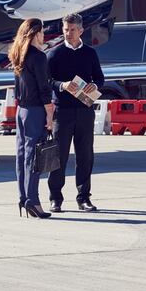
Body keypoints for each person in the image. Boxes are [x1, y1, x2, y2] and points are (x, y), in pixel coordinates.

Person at [47, 13, 104, 212]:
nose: (68, 34)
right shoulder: (54, 54)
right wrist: (61, 85)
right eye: (65, 30)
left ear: (81, 31)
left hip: (85, 110)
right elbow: (47, 81)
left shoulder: (90, 53)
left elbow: (99, 78)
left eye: (72, 30)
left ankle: (83, 198)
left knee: (85, 155)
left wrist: (93, 87)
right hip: (62, 112)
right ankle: (55, 197)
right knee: (59, 156)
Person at [9, 18, 55, 219]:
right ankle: (33, 201)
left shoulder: (18, 54)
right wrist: (50, 113)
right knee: (35, 156)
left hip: (22, 110)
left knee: (22, 156)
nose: (44, 36)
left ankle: (23, 197)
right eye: (42, 32)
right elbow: (44, 89)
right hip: (36, 110)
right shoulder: (38, 57)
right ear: (35, 33)